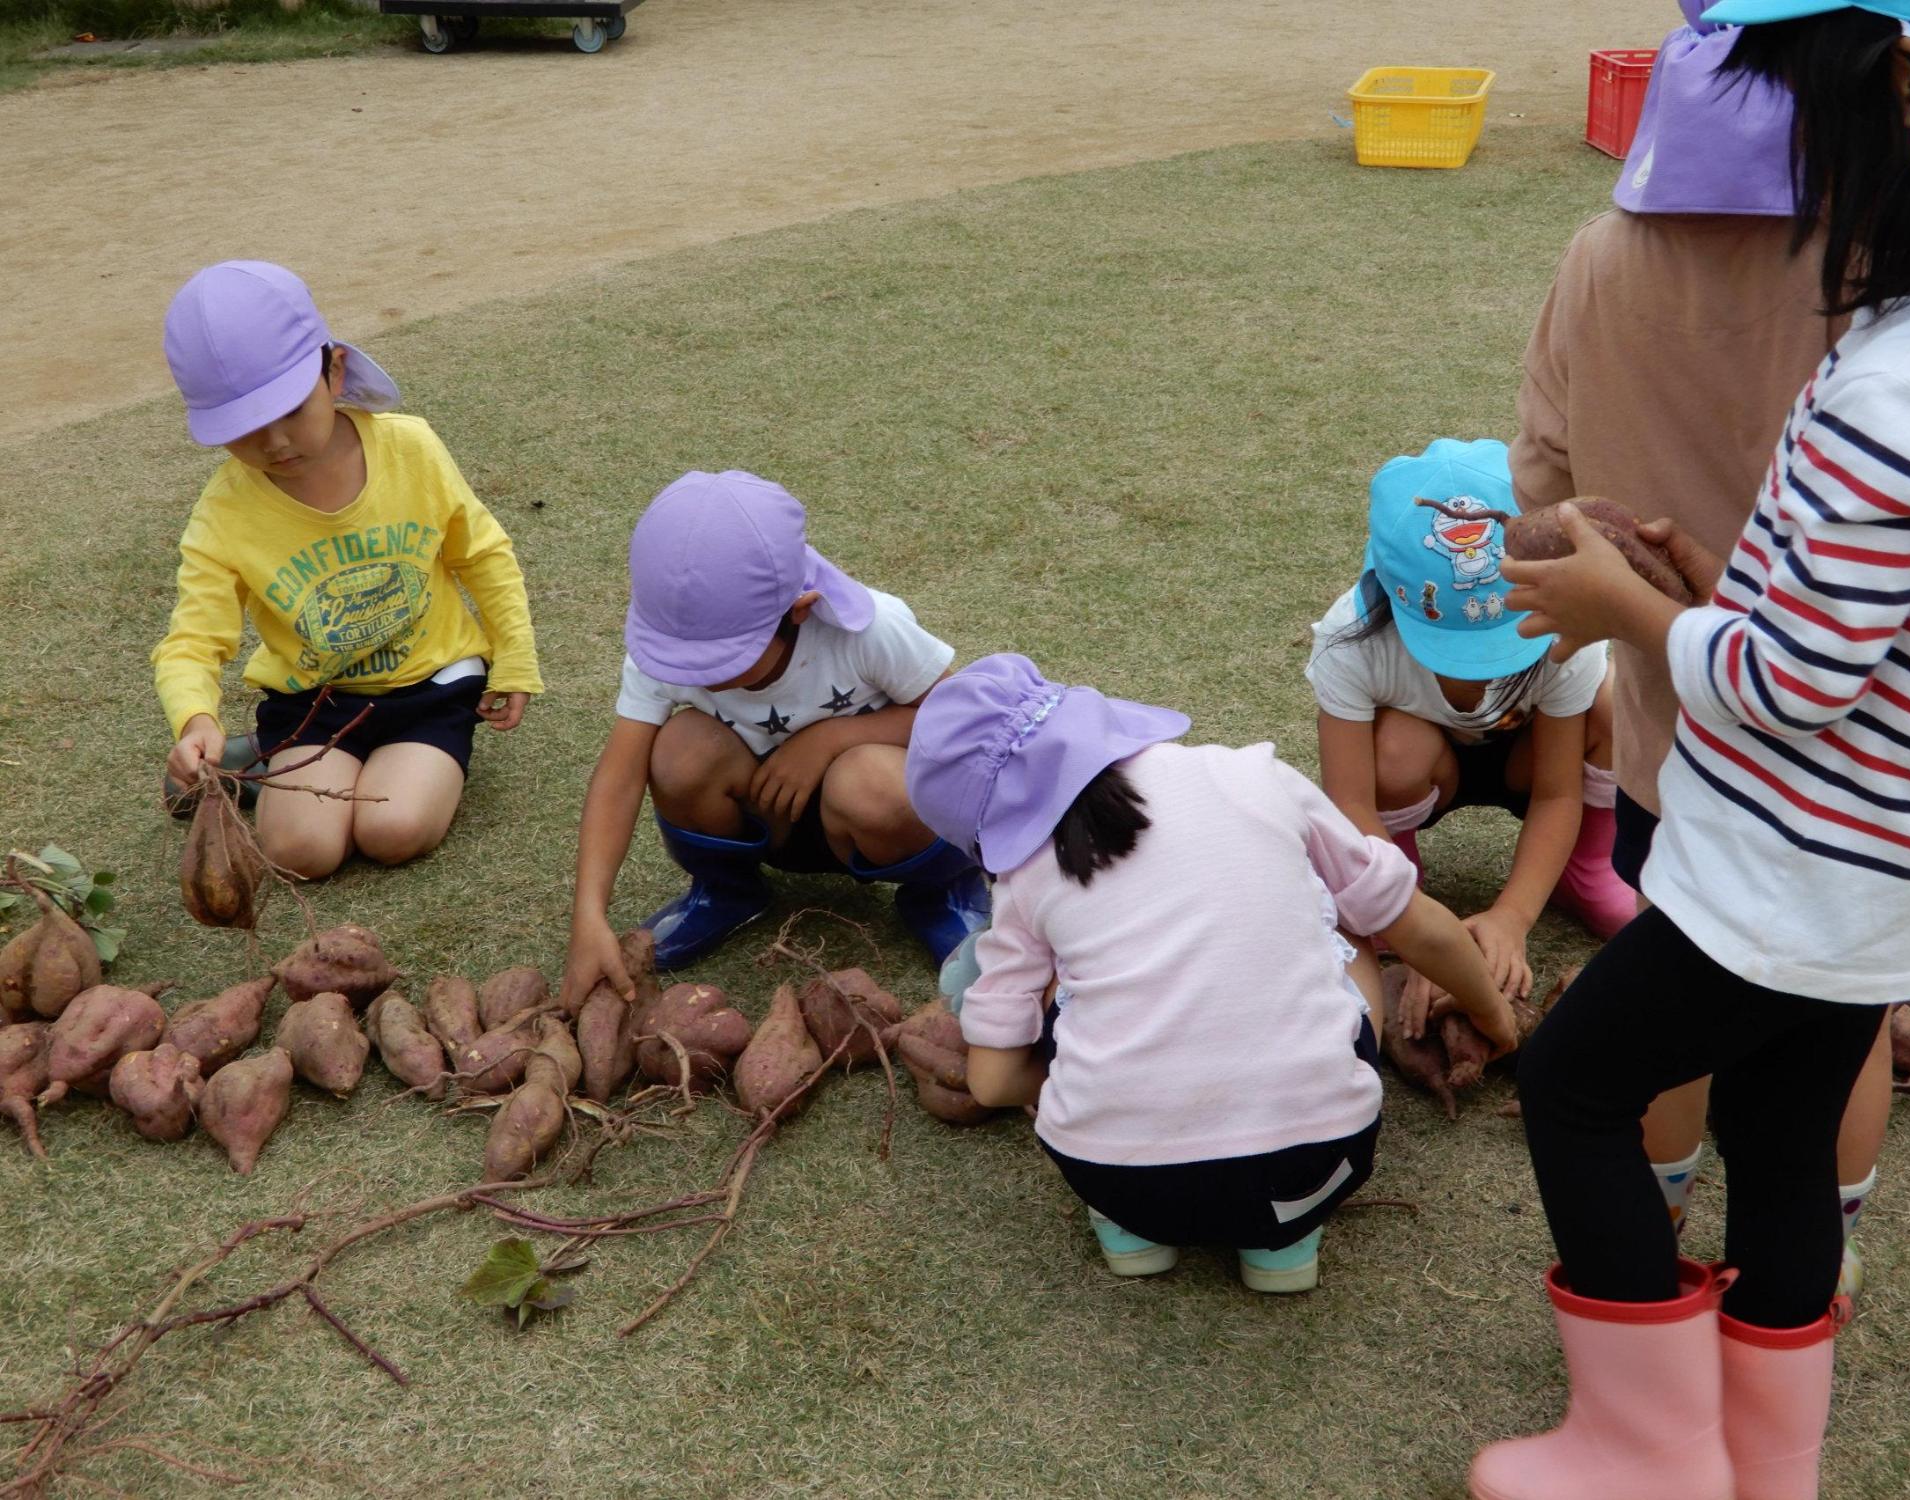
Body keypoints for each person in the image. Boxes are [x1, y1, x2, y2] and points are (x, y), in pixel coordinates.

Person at [1471, 8, 1910, 1499]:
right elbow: (1891, 629)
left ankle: (1647, 1453)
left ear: (1894, 116)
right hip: (1906, 869)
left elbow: (1791, 686)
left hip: (1793, 867)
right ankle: (1772, 1460)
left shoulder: (1894, 389)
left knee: (1571, 1085)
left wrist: (1627, 608)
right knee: (1781, 1142)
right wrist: (1717, 583)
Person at [1513, 0, 1886, 1298]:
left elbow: (1543, 486)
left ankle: (1652, 1226)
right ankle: (1816, 1268)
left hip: (1677, 739)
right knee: (1840, 1034)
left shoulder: (1597, 256)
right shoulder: (1880, 281)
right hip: (1855, 766)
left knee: (1662, 1004)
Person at [905, 653, 1518, 1292]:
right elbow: (1417, 926)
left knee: (1066, 979)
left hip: (1118, 1183)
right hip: (1317, 1168)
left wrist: (1078, 1075)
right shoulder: (1250, 774)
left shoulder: (1025, 875)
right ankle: (1282, 1248)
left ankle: (1133, 1237)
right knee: (1353, 927)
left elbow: (993, 1080)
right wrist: (1491, 1012)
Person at [153, 261, 541, 878]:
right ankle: (257, 762)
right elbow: (192, 641)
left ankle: (279, 765)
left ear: (333, 372)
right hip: (316, 705)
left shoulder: (410, 448)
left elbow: (482, 553)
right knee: (301, 854)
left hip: (430, 688)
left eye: (290, 409)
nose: (276, 443)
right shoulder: (226, 512)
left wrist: (515, 658)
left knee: (393, 829)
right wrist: (195, 717)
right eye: (245, 431)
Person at [561, 469, 986, 1006]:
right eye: (686, 658)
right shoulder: (673, 636)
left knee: (868, 782)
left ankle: (942, 890)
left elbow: (961, 723)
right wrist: (589, 915)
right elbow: (620, 777)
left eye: (722, 658)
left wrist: (833, 737)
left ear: (800, 607)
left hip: (877, 817)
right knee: (678, 749)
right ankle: (727, 891)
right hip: (768, 815)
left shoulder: (869, 629)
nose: (698, 673)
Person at [1308, 438, 1626, 1026]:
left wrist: (1513, 916)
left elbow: (1557, 792)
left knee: (1611, 709)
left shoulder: (1563, 628)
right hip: (1426, 766)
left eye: (1497, 649)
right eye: (1452, 652)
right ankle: (1401, 882)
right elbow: (1350, 801)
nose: (1479, 671)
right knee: (1396, 753)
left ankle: (1586, 869)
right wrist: (1417, 929)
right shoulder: (1350, 640)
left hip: (1525, 758)